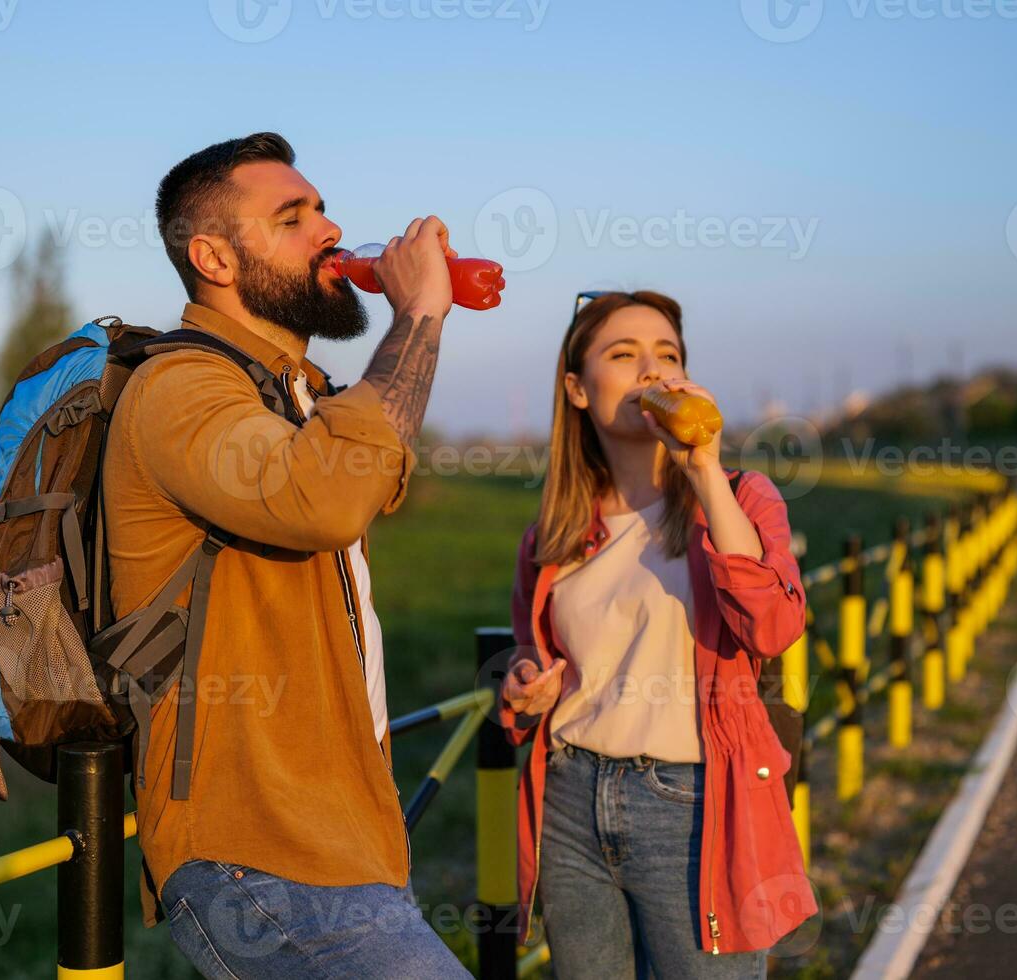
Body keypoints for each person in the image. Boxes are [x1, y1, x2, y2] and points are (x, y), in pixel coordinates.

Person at [102, 132, 471, 978]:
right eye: (293, 216)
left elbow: (369, 473)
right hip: (257, 854)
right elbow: (331, 498)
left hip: (342, 847)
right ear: (214, 257)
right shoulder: (181, 391)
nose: (331, 229)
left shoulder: (288, 395)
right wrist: (417, 313)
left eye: (323, 207)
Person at [497, 290, 819, 978]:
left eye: (667, 355)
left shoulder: (741, 497)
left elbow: (772, 627)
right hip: (570, 801)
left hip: (695, 805)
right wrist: (526, 685)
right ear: (578, 390)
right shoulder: (551, 534)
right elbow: (534, 656)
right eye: (624, 354)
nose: (652, 370)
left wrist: (702, 470)